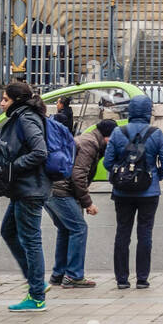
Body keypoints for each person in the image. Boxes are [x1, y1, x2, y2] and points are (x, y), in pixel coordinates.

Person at [103, 94, 163, 289]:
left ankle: (122, 280)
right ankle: (142, 279)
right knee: (145, 234)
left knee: (122, 233)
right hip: (149, 193)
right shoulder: (156, 133)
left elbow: (107, 162)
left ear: (131, 111)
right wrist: (153, 176)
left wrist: (121, 174)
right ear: (148, 112)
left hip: (122, 192)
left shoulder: (118, 132)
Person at [0, 82, 50, 311]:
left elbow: (40, 151)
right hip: (23, 188)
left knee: (31, 240)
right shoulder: (21, 116)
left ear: (16, 101)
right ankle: (36, 280)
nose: (1, 103)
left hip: (30, 188)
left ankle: (37, 295)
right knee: (8, 231)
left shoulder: (26, 118)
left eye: (5, 99)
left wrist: (12, 168)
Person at [45, 120, 116, 288]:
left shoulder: (89, 140)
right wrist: (88, 203)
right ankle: (74, 276)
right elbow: (78, 176)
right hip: (61, 191)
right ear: (107, 137)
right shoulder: (89, 144)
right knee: (79, 228)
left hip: (52, 190)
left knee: (66, 229)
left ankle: (59, 274)